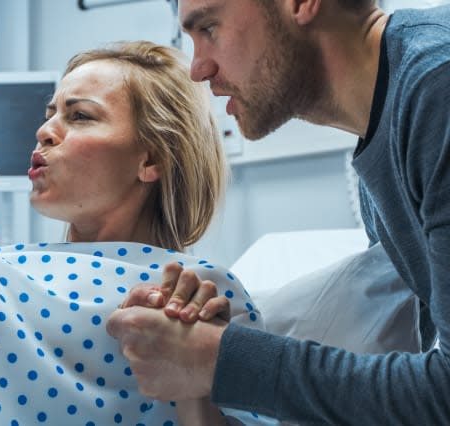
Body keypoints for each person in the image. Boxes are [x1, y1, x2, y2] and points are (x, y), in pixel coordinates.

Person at [0, 41, 270, 425]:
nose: (44, 131)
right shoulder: (13, 264)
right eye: (50, 114)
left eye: (79, 116)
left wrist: (193, 370)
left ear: (150, 159)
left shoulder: (202, 294)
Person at [107, 0, 450, 424]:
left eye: (210, 29)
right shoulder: (383, 127)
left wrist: (219, 359)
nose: (198, 70)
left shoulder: (437, 87)